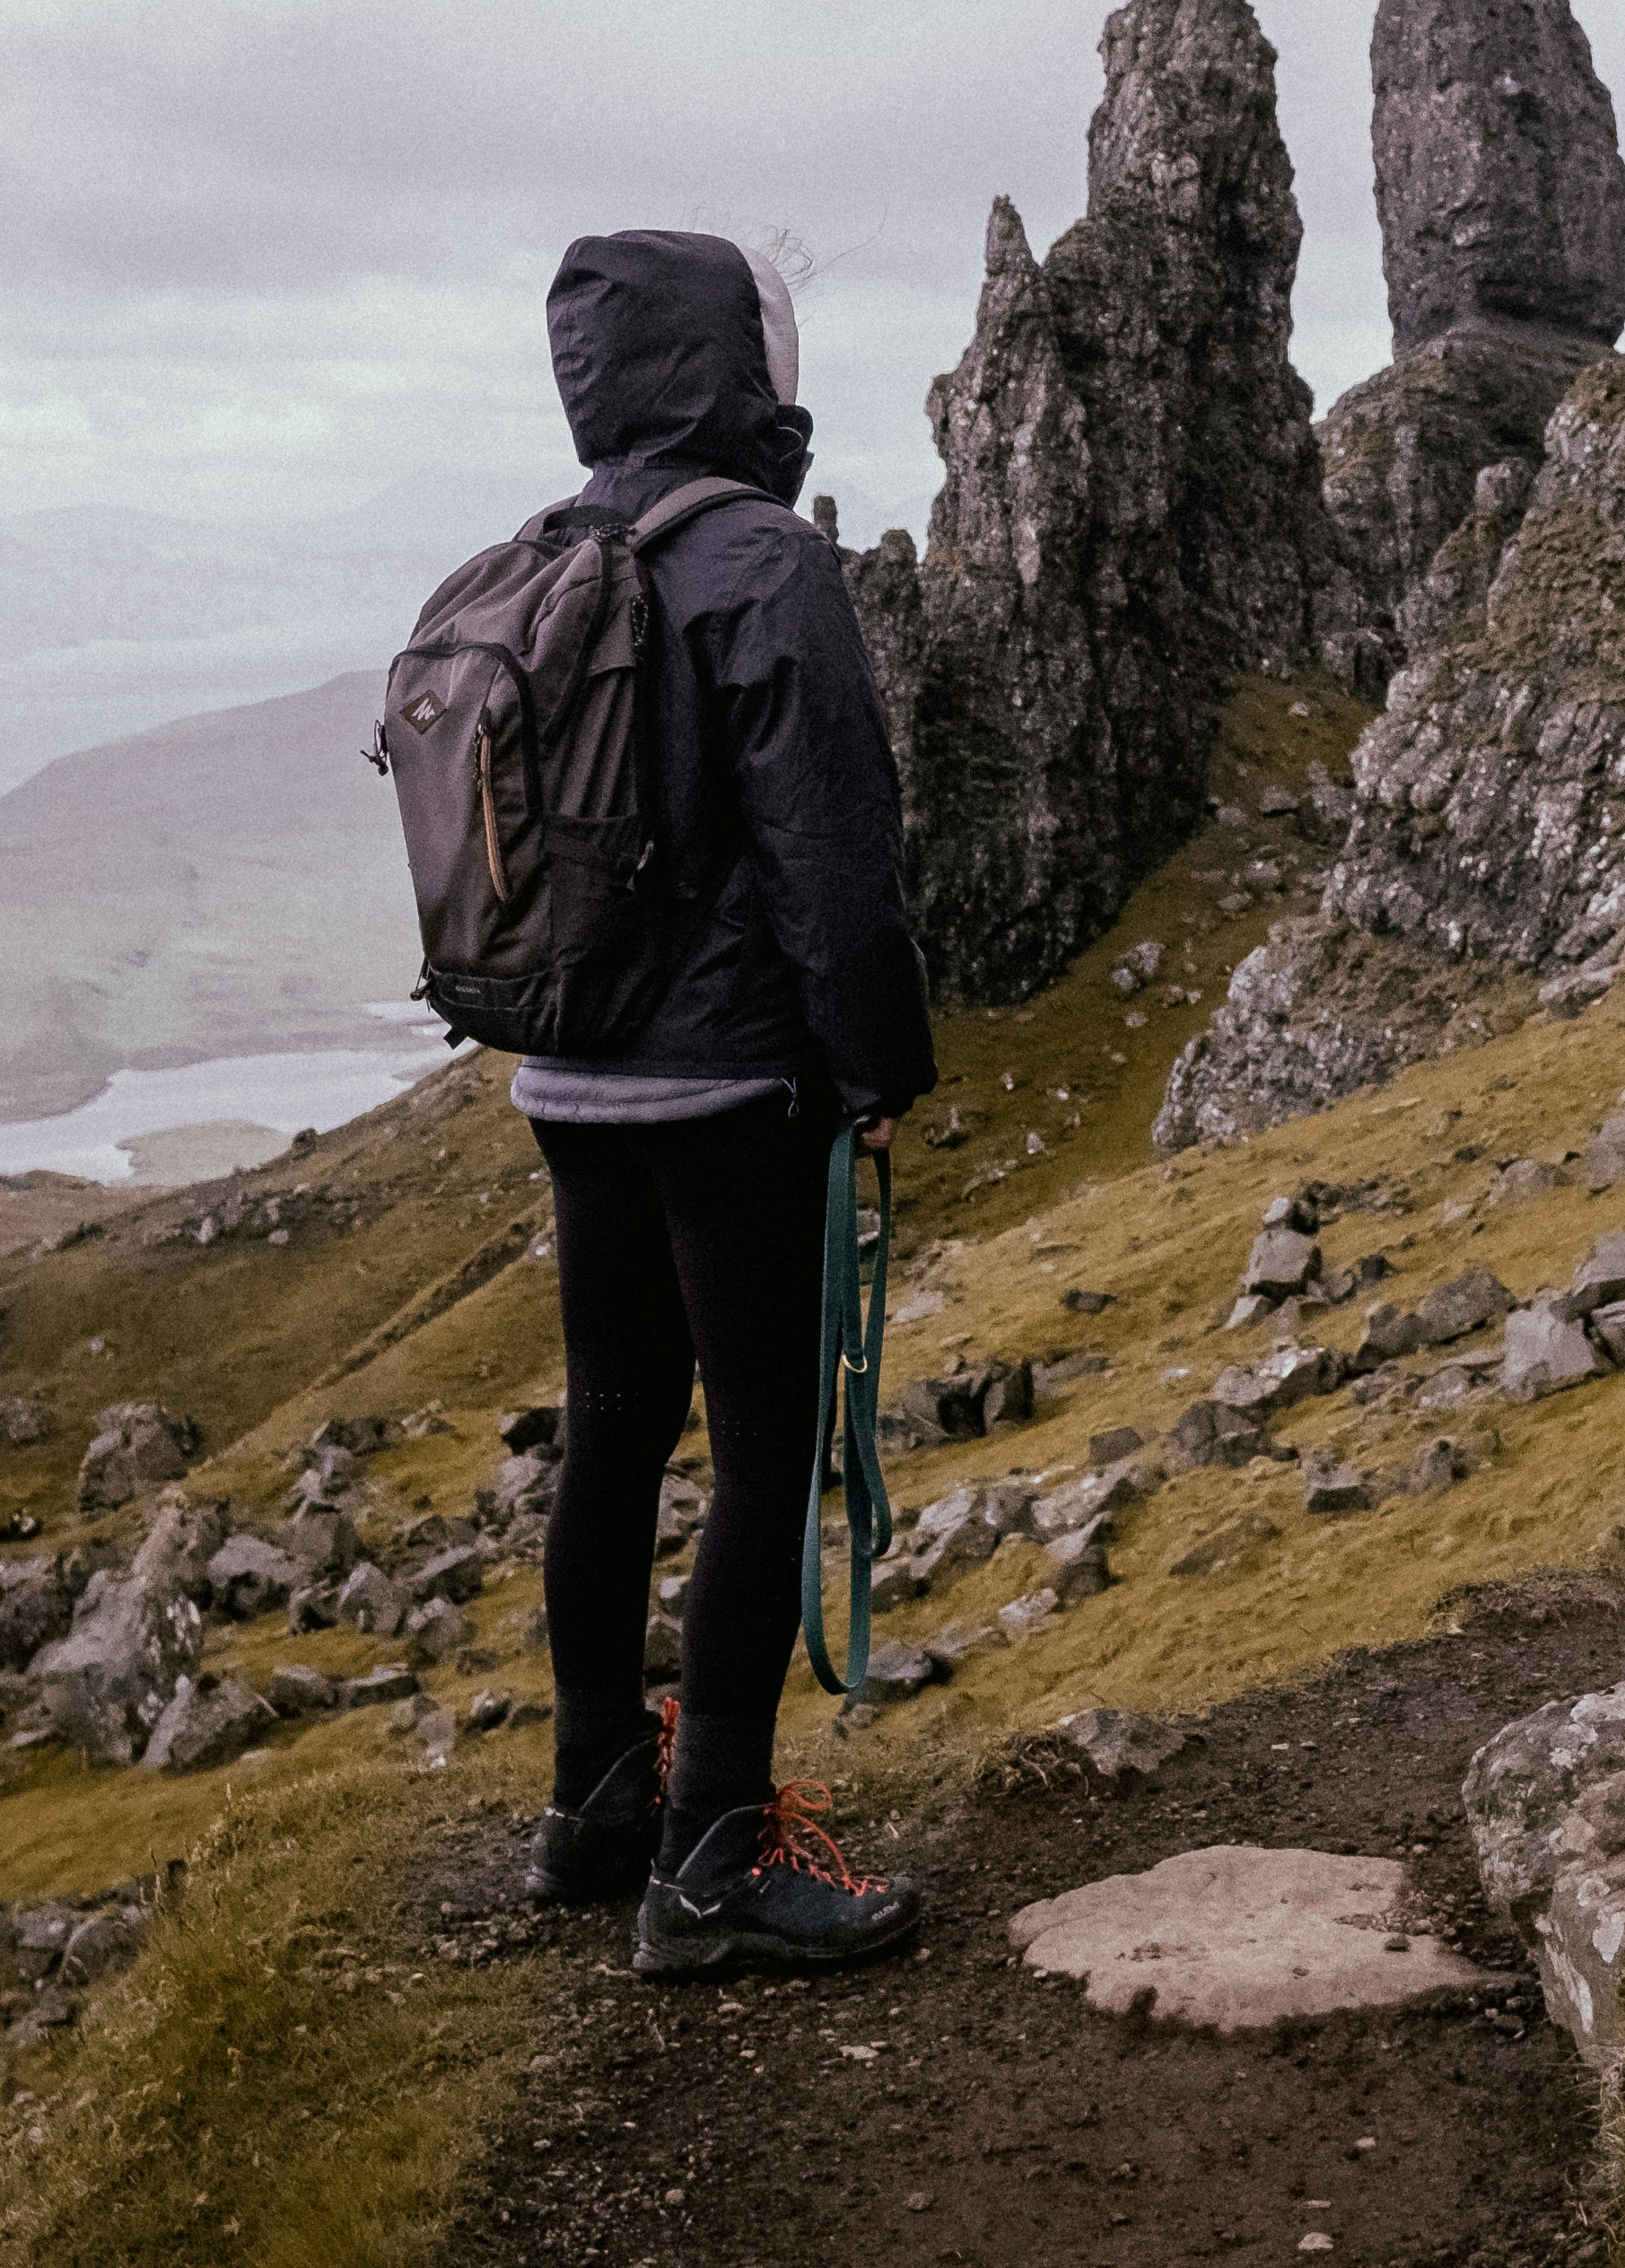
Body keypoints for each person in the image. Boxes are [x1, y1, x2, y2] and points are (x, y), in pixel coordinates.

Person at [503, 226, 939, 1978]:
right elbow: (836, 861)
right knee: (764, 1448)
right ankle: (713, 1859)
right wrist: (881, 1071)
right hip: (725, 1081)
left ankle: (593, 1798)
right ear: (734, 364)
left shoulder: (544, 554)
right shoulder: (766, 561)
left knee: (612, 1424)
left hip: (567, 1073)